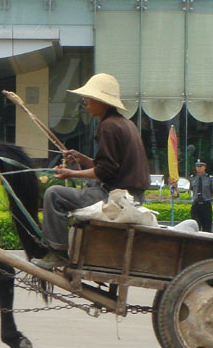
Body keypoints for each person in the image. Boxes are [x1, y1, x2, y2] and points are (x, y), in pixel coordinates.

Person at [34, 72, 149, 269]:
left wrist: (70, 173)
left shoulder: (108, 127)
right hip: (129, 194)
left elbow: (105, 171)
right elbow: (111, 166)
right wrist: (82, 159)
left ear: (102, 102)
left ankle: (57, 252)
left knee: (54, 195)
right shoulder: (124, 124)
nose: (85, 102)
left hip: (116, 197)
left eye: (89, 98)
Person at [188, 159, 213, 232]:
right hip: (196, 205)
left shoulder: (209, 178)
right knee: (195, 226)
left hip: (206, 205)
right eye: (197, 166)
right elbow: (191, 189)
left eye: (201, 166)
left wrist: (209, 197)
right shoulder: (193, 178)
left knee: (207, 228)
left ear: (205, 167)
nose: (199, 168)